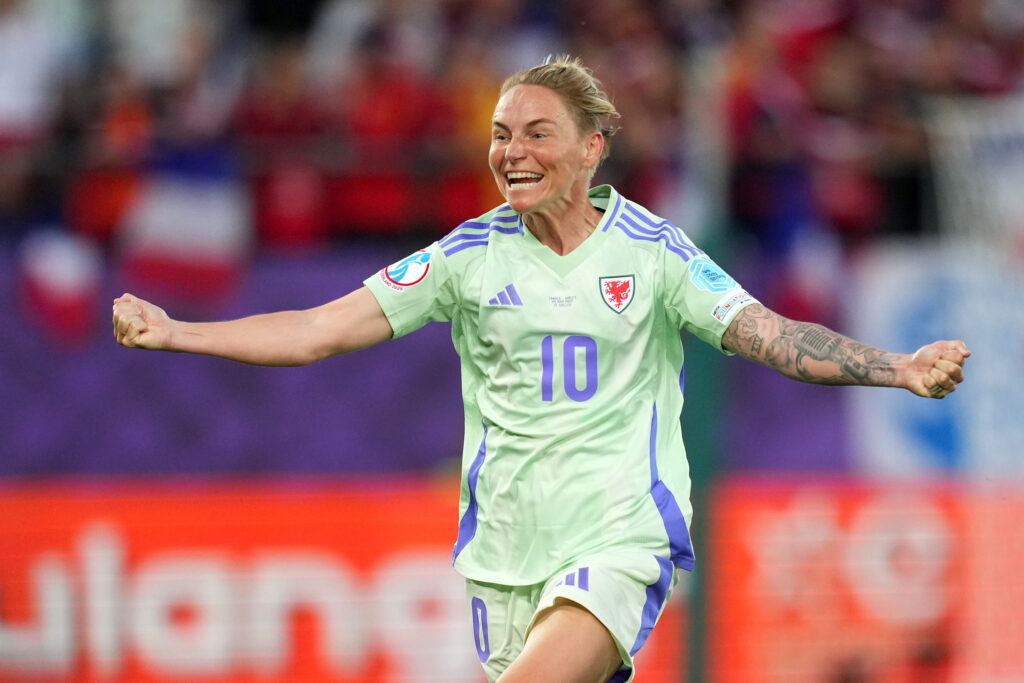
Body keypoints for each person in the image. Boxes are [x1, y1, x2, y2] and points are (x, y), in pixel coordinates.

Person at [112, 56, 970, 683]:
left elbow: (774, 336)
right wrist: (177, 330)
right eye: (499, 135)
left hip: (619, 540)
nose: (510, 151)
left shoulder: (657, 254)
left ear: (592, 149)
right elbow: (316, 330)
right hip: (504, 558)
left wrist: (898, 367)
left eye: (535, 133)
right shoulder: (466, 256)